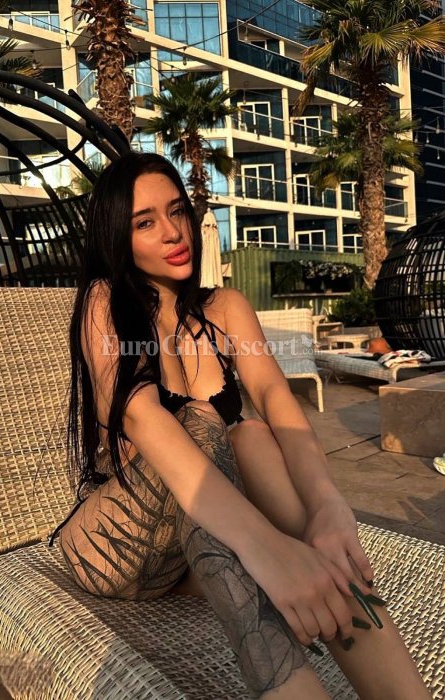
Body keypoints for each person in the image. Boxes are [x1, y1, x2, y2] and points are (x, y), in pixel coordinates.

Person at [50, 151, 431, 700]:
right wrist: (265, 545)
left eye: (176, 211)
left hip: (200, 544)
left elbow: (276, 398)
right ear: (118, 238)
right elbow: (143, 416)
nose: (173, 232)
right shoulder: (104, 302)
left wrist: (326, 506)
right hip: (115, 548)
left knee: (251, 434)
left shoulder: (225, 308)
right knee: (205, 423)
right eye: (145, 222)